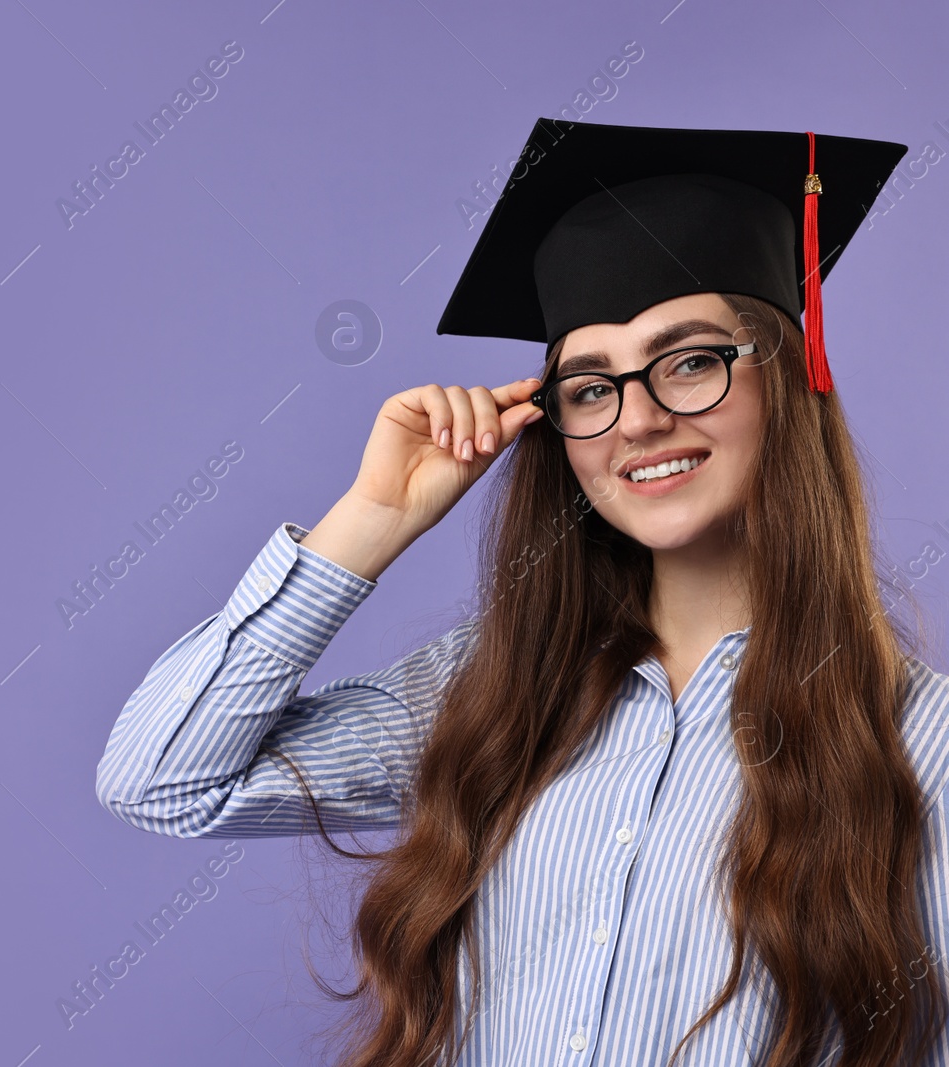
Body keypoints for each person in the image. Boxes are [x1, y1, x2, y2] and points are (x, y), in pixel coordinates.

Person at [94, 118, 949, 1067]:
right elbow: (164, 781)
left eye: (692, 360)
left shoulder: (928, 745)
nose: (642, 417)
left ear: (788, 378)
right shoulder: (498, 691)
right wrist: (371, 520)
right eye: (590, 387)